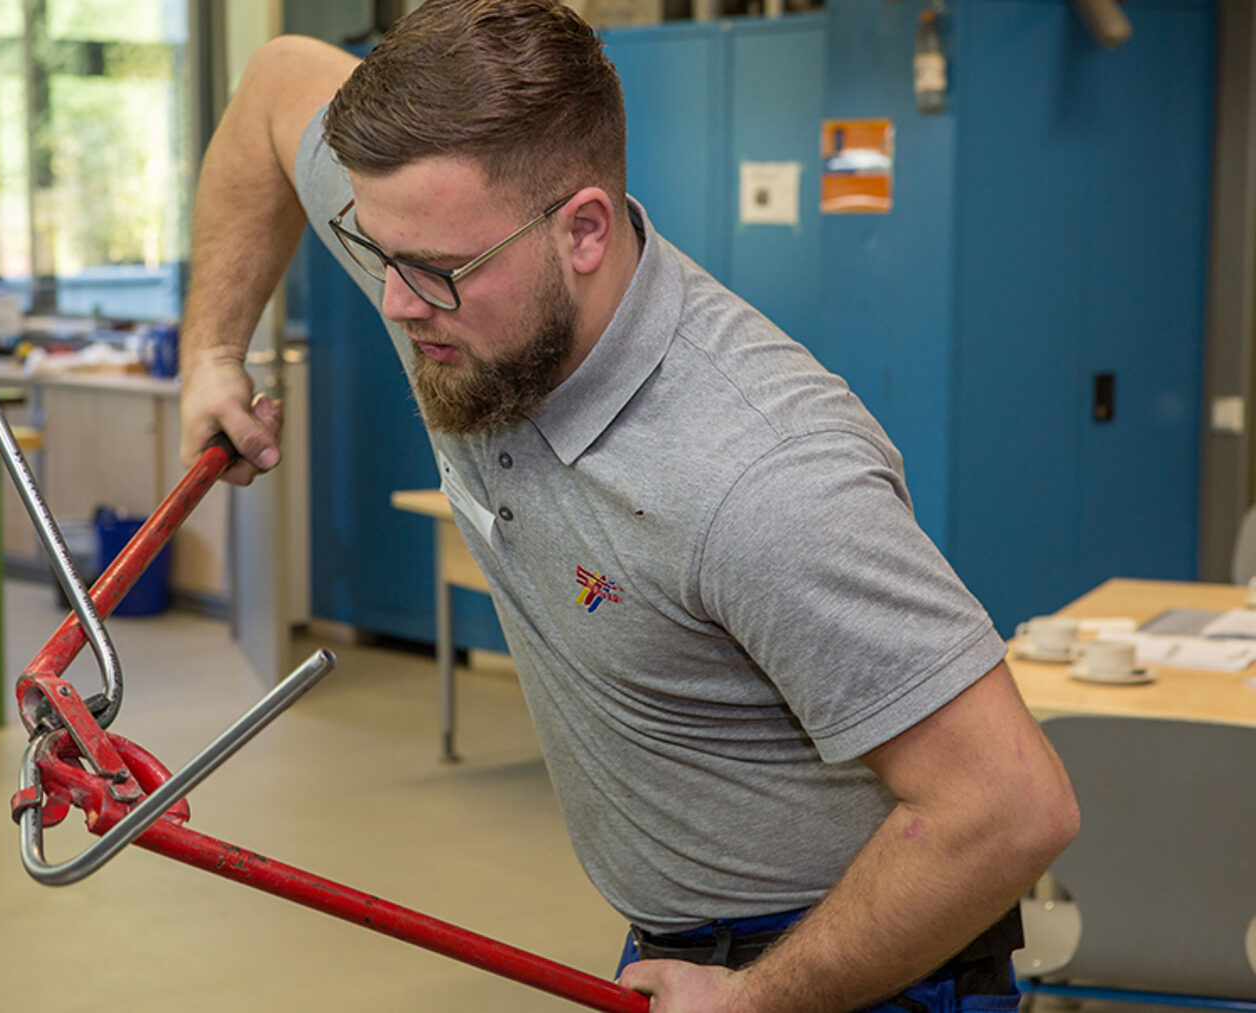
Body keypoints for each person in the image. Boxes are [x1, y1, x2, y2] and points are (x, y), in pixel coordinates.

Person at [177, 3, 1080, 1010]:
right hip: (678, 941)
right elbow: (270, 85)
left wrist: (752, 997)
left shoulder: (762, 475)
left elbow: (1008, 807)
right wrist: (211, 354)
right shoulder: (453, 280)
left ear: (583, 231)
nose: (392, 301)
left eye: (431, 270)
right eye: (373, 247)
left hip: (863, 957)